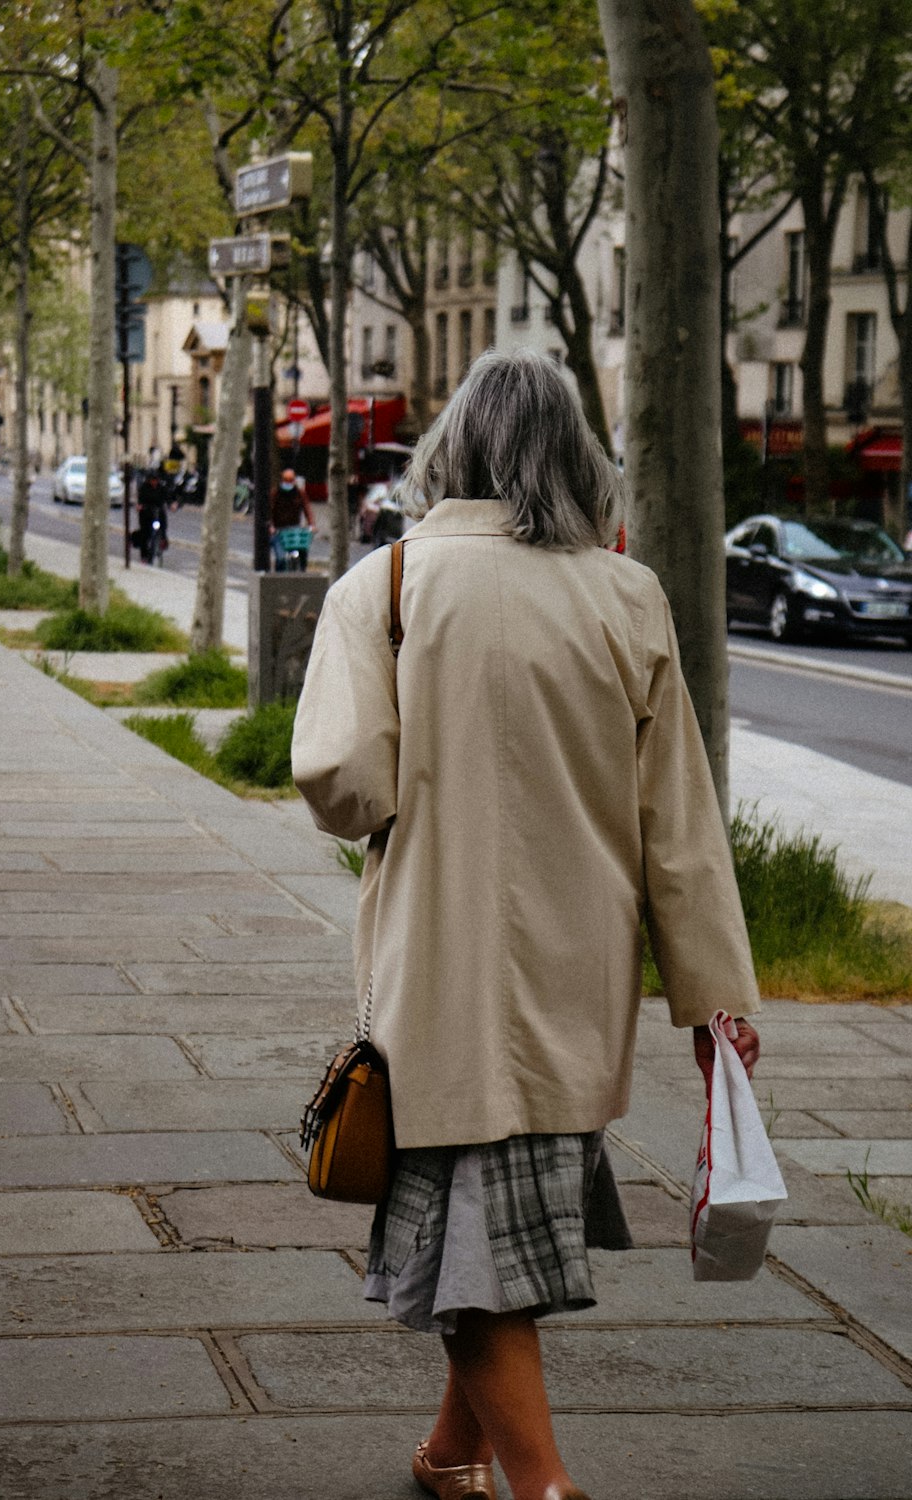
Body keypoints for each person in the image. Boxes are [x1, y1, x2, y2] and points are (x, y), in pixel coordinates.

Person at [291, 349, 761, 1500]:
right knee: (500, 1227)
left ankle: (544, 1488)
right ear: (574, 463)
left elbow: (340, 782)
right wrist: (716, 1004)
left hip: (438, 983)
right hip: (575, 981)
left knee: (472, 1246)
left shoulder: (386, 586)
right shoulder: (627, 594)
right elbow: (682, 830)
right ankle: (452, 1454)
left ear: (454, 454)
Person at [270, 467, 315, 571]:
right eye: (286, 481)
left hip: (294, 528)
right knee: (281, 558)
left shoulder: (299, 493)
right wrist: (271, 527)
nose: (288, 483)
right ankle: (279, 578)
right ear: (282, 480)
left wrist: (311, 524)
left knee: (303, 549)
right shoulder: (275, 493)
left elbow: (307, 508)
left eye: (290, 481)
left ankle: (303, 570)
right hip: (279, 529)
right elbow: (269, 511)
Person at [136, 462, 168, 560]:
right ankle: (144, 556)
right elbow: (140, 499)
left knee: (163, 524)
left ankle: (163, 539)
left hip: (158, 511)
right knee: (144, 533)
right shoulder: (144, 488)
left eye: (156, 480)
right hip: (147, 511)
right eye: (153, 480)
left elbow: (167, 498)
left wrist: (172, 504)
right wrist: (140, 506)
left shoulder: (161, 488)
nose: (154, 482)